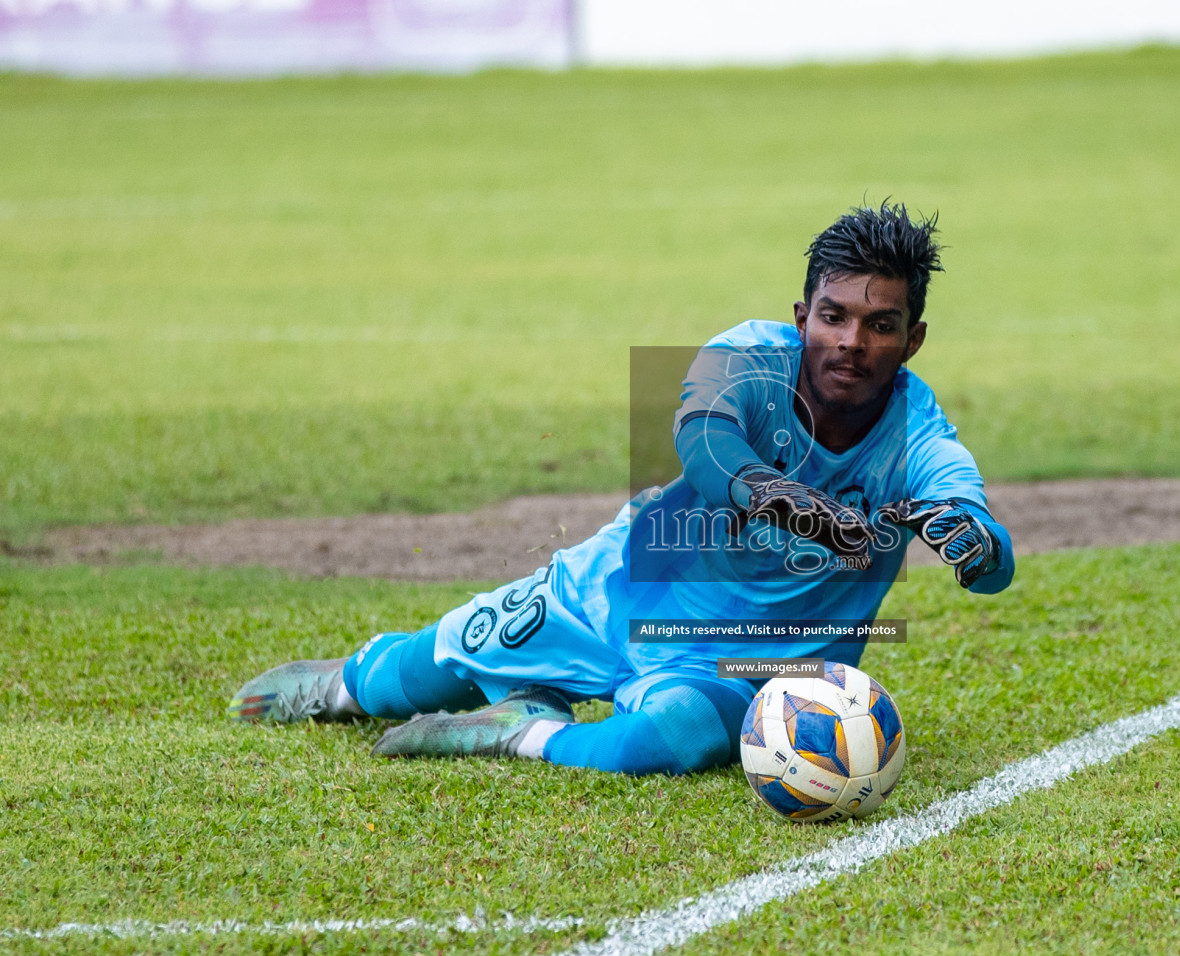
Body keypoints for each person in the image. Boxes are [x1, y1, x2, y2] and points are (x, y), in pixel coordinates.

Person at [227, 201, 1014, 775]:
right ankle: (338, 686)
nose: (852, 342)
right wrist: (804, 509)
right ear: (801, 315)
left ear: (911, 339)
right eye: (834, 317)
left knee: (660, 745)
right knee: (416, 676)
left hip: (757, 668)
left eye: (880, 325)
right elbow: (705, 448)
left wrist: (975, 544)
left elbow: (986, 546)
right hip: (616, 591)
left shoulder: (920, 436)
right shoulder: (743, 357)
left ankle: (518, 731)